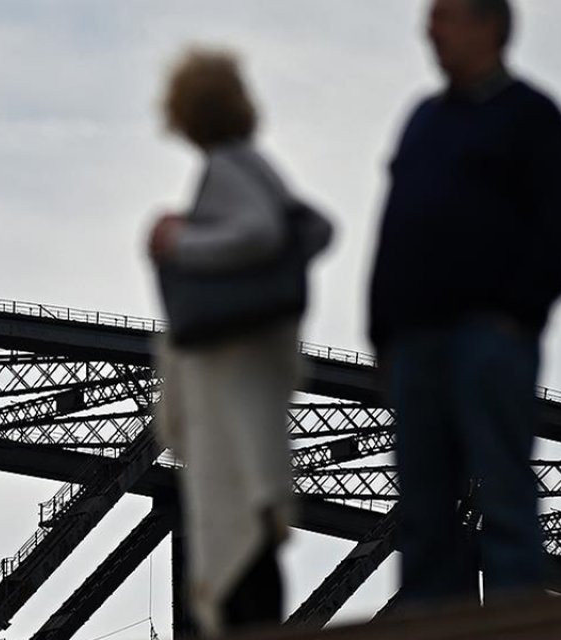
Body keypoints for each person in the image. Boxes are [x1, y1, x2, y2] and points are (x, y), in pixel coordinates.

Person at [369, 0, 561, 606]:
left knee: (502, 493)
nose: (428, 28)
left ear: (490, 25)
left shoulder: (532, 116)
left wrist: (517, 315)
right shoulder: (422, 120)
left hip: (490, 336)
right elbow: (394, 229)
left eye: (445, 15)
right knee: (425, 506)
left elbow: (557, 221)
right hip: (416, 343)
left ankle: (515, 619)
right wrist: (384, 333)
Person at [147, 48, 331, 636]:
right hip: (257, 374)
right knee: (256, 528)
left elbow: (261, 231)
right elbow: (314, 227)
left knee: (234, 531)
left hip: (230, 385)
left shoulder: (225, 168)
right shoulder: (257, 165)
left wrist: (181, 244)